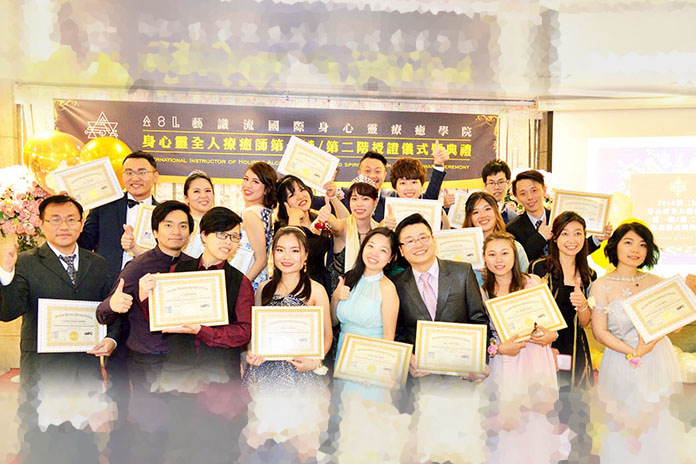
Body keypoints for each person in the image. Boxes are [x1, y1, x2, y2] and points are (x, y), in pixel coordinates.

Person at [0, 195, 120, 462]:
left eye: (70, 219)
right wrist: (6, 273)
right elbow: (8, 312)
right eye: (54, 220)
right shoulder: (25, 262)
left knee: (84, 446)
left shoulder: (97, 263)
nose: (63, 226)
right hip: (44, 372)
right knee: (41, 445)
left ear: (81, 224)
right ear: (42, 224)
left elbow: (109, 308)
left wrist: (111, 339)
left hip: (84, 369)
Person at [138, 206, 252, 463]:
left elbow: (243, 332)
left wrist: (203, 331)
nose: (228, 242)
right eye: (222, 234)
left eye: (234, 237)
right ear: (203, 235)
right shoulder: (176, 271)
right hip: (178, 373)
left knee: (218, 448)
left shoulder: (240, 282)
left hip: (219, 378)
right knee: (177, 446)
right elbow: (159, 320)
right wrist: (145, 298)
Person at [391, 213, 490, 462]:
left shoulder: (462, 272)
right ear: (401, 251)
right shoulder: (396, 284)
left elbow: (478, 320)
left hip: (461, 378)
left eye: (423, 237)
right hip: (422, 382)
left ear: (433, 240)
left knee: (462, 447)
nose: (418, 244)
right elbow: (399, 331)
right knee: (426, 449)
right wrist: (408, 358)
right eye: (409, 241)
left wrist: (477, 363)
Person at [589, 222, 685, 462]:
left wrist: (678, 317)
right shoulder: (601, 285)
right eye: (628, 242)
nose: (635, 250)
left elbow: (672, 324)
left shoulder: (657, 281)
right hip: (620, 359)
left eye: (642, 245)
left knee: (658, 419)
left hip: (657, 357)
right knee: (623, 421)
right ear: (615, 246)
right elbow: (600, 332)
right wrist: (633, 351)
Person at [242, 227, 333, 461]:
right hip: (265, 376)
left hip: (300, 376)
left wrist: (314, 361)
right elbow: (257, 333)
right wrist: (252, 353)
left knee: (300, 445)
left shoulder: (316, 290)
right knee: (263, 443)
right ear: (273, 254)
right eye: (280, 250)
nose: (286, 256)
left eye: (294, 251)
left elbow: (327, 335)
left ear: (305, 256)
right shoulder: (264, 289)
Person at [480, 231, 565, 463]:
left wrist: (550, 335)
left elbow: (553, 327)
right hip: (504, 363)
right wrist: (497, 349)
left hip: (535, 359)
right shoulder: (481, 292)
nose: (499, 260)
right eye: (492, 254)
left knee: (536, 423)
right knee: (506, 425)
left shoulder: (533, 283)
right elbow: (482, 336)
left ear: (515, 255)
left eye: (505, 253)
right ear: (484, 258)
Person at [96, 201, 195, 393]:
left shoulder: (194, 267)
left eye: (183, 226)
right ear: (155, 232)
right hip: (149, 359)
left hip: (184, 358)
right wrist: (113, 305)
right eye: (168, 225)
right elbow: (102, 313)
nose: (176, 231)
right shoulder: (138, 266)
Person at [529, 212, 595, 389]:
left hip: (575, 348)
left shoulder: (589, 275)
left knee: (573, 401)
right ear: (555, 237)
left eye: (578, 233)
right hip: (543, 345)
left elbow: (585, 322)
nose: (572, 240)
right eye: (565, 233)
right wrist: (547, 344)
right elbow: (529, 313)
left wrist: (583, 305)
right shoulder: (539, 268)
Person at [78, 150, 160, 284]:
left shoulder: (163, 213)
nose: (135, 178)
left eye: (142, 172)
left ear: (155, 176)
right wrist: (72, 215)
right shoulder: (103, 206)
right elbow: (85, 244)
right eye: (129, 173)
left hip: (148, 282)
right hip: (106, 282)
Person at [314, 146, 449, 222]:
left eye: (377, 171)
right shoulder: (343, 194)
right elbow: (312, 201)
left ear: (384, 176)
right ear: (359, 173)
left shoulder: (391, 201)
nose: (372, 176)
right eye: (367, 171)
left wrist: (438, 165)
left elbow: (429, 200)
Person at [506, 170, 608, 263]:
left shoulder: (560, 218)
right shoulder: (512, 228)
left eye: (534, 190)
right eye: (523, 193)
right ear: (516, 197)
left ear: (544, 190)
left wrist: (596, 239)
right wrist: (540, 237)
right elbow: (518, 259)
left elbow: (575, 249)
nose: (530, 197)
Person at [275, 175, 342, 293]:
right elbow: (294, 250)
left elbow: (346, 226)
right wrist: (294, 217)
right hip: (296, 287)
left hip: (324, 283)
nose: (300, 196)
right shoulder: (282, 228)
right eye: (292, 195)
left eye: (302, 190)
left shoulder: (319, 218)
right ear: (285, 203)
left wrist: (333, 197)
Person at [325, 176, 381, 293]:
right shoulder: (344, 226)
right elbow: (335, 225)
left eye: (365, 199)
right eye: (354, 199)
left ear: (375, 202)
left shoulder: (379, 230)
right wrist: (327, 218)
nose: (359, 204)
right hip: (341, 291)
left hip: (372, 291)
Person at [463, 191, 529, 283]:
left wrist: (499, 275)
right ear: (469, 218)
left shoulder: (515, 247)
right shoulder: (464, 250)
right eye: (476, 212)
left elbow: (525, 282)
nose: (483, 215)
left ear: (496, 212)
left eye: (487, 209)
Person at [231, 162, 276, 291]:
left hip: (249, 277)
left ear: (267, 189)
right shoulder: (266, 212)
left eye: (255, 182)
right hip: (258, 278)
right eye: (246, 179)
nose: (248, 185)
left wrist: (240, 286)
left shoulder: (251, 214)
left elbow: (261, 260)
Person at [182, 170, 215, 258]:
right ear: (186, 198)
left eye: (207, 191)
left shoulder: (220, 224)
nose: (203, 196)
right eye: (196, 191)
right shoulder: (180, 224)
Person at [481, 159, 518, 224]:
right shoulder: (479, 217)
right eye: (491, 183)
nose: (496, 187)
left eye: (501, 182)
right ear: (485, 185)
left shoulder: (515, 219)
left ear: (508, 183)